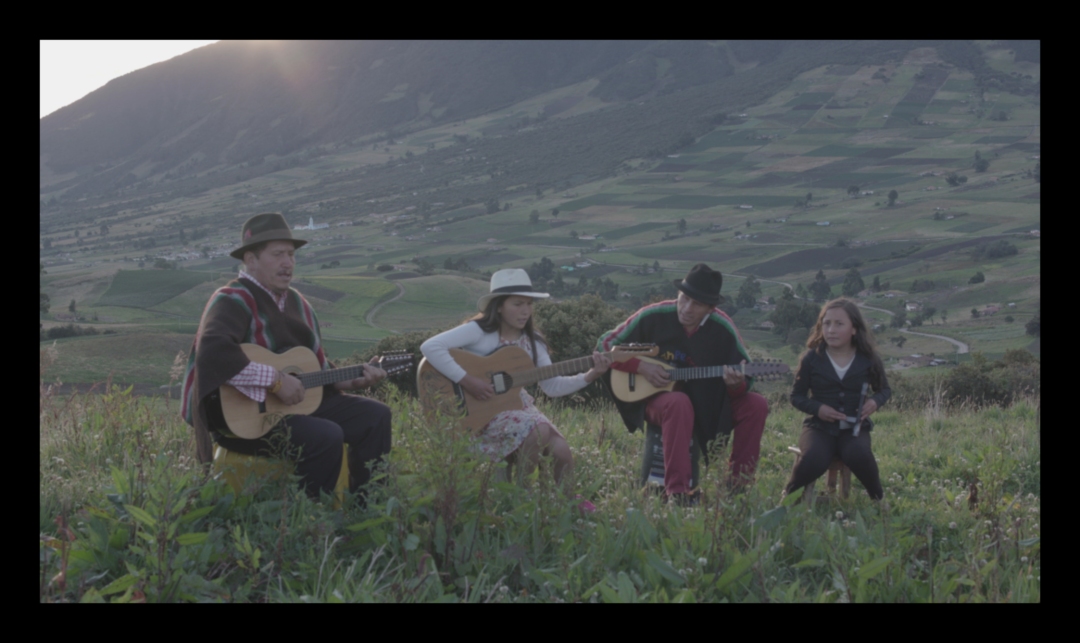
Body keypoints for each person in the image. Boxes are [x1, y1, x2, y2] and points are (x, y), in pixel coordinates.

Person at [181, 213, 392, 503]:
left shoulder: (298, 304)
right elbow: (213, 354)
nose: (288, 263)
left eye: (291, 255)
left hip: (295, 410)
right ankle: (312, 524)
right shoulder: (231, 299)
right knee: (326, 435)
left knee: (376, 416)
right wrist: (276, 381)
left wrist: (348, 381)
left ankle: (369, 506)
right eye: (278, 254)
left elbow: (315, 367)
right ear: (251, 260)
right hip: (241, 422)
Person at [419, 269, 611, 496]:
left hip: (517, 406)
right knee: (537, 429)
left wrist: (590, 375)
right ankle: (522, 496)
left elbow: (551, 387)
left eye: (529, 304)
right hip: (481, 412)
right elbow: (430, 347)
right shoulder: (478, 331)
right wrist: (468, 381)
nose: (526, 311)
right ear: (499, 306)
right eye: (517, 304)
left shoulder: (533, 341)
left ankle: (566, 505)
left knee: (562, 452)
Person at [597, 263, 769, 503]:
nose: (687, 308)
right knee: (679, 402)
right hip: (658, 400)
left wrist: (735, 385)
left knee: (757, 404)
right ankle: (677, 493)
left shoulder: (723, 328)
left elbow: (744, 381)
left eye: (697, 304)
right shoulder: (653, 315)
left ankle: (736, 490)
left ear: (710, 308)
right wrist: (641, 366)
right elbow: (604, 346)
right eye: (684, 298)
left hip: (708, 404)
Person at [784, 298, 889, 500]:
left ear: (854, 329)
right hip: (819, 427)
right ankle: (788, 500)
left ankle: (878, 500)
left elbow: (884, 390)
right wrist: (818, 408)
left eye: (839, 324)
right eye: (827, 323)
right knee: (813, 458)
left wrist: (874, 402)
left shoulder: (868, 359)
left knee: (859, 455)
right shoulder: (811, 359)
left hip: (854, 428)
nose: (831, 329)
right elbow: (796, 397)